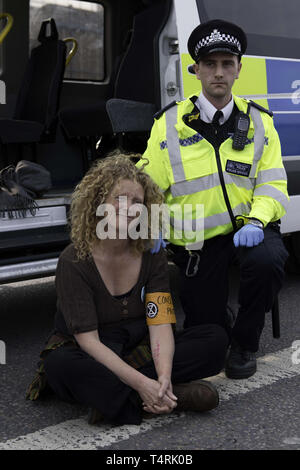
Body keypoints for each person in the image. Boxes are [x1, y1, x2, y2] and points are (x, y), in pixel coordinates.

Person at [26, 151, 228, 425]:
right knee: (61, 366)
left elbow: (160, 323)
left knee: (214, 339)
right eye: (119, 198)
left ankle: (129, 397)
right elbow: (89, 342)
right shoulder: (74, 260)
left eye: (138, 202)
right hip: (91, 349)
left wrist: (164, 375)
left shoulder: (151, 253)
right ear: (100, 202)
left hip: (137, 345)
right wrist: (144, 383)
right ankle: (159, 397)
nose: (129, 207)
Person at [137, 19, 289, 380]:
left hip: (246, 230)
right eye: (210, 64)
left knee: (267, 260)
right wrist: (150, 224)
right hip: (195, 242)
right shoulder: (169, 124)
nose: (218, 73)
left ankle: (245, 343)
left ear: (239, 69)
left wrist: (257, 221)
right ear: (196, 70)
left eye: (226, 64)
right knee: (207, 333)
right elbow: (146, 184)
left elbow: (273, 184)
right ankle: (222, 322)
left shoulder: (260, 122)